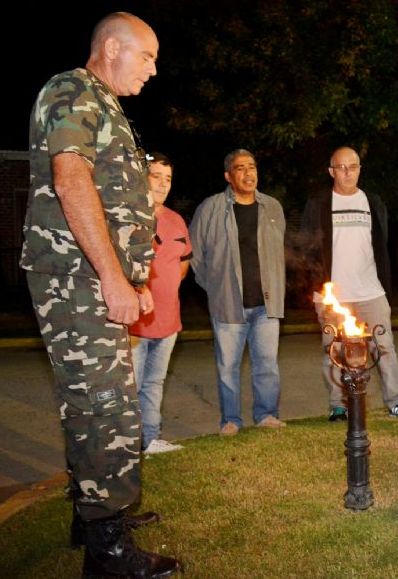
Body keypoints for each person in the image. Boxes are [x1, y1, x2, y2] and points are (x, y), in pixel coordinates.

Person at [18, 12, 180, 577]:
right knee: (105, 406)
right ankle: (106, 551)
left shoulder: (104, 105)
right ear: (112, 48)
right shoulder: (72, 90)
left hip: (91, 275)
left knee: (93, 401)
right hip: (77, 277)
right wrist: (113, 277)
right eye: (148, 56)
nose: (154, 70)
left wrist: (132, 276)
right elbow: (70, 180)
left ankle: (92, 514)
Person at [300, 146, 398, 421]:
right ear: (331, 171)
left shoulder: (373, 202)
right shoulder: (319, 203)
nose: (347, 173)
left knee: (384, 347)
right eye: (341, 167)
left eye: (352, 167)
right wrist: (317, 286)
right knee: (334, 351)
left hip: (370, 292)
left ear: (359, 170)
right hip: (333, 297)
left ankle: (396, 402)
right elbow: (307, 246)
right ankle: (338, 405)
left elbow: (380, 245)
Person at [189, 149, 286, 436]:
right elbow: (194, 254)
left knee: (267, 365)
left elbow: (278, 253)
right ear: (228, 176)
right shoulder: (211, 208)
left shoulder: (272, 208)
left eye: (252, 167)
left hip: (266, 305)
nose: (249, 173)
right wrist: (215, 287)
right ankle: (231, 420)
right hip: (229, 303)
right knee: (228, 367)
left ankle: (267, 415)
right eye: (240, 168)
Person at [129, 152, 192, 455]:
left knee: (154, 385)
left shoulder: (175, 219)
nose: (163, 184)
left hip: (169, 322)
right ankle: (127, 446)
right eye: (156, 176)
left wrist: (168, 287)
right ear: (142, 176)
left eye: (168, 179)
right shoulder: (128, 216)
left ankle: (150, 440)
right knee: (132, 387)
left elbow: (183, 262)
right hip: (136, 324)